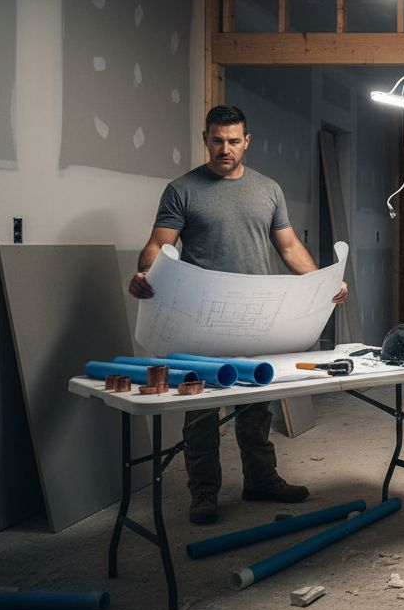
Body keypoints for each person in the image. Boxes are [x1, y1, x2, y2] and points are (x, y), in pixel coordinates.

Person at [128, 104, 347, 524]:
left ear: (247, 141)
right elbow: (159, 243)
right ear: (205, 139)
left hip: (256, 311)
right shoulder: (182, 189)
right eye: (216, 140)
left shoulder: (268, 189)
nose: (224, 149)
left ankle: (261, 480)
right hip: (201, 316)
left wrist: (322, 282)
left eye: (233, 141)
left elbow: (288, 248)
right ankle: (204, 493)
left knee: (256, 403)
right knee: (202, 411)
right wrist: (145, 270)